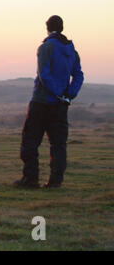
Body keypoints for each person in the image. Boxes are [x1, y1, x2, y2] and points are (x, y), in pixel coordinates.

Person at [14, 15, 84, 188]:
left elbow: (44, 75)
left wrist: (59, 93)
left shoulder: (46, 47)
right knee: (58, 144)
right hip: (61, 106)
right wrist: (69, 94)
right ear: (61, 27)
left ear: (47, 27)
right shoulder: (72, 52)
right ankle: (55, 182)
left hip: (41, 102)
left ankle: (30, 179)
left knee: (30, 142)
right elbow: (79, 75)